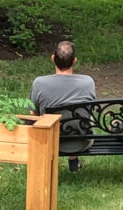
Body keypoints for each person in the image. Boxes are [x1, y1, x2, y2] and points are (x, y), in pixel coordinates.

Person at [30, 40, 96, 172]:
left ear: (53, 58)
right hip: (82, 141)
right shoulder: (88, 82)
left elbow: (33, 114)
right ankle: (73, 160)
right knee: (84, 115)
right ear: (74, 61)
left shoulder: (39, 83)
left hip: (50, 142)